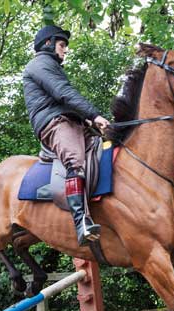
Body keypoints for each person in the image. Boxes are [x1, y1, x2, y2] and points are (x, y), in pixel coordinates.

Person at [22, 25, 110, 247]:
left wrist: (89, 120)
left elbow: (65, 100)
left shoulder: (50, 65)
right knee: (75, 160)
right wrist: (94, 114)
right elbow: (63, 93)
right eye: (62, 45)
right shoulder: (39, 64)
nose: (65, 50)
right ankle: (81, 222)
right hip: (54, 123)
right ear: (48, 44)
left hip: (69, 120)